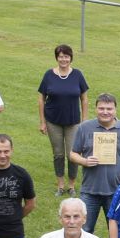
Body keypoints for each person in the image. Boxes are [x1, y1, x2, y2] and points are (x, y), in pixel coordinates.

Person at [70, 93, 120, 238]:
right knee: (84, 233)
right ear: (96, 109)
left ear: (115, 110)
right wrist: (84, 161)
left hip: (116, 192)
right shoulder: (85, 128)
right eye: (101, 108)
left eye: (109, 108)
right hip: (90, 191)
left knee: (118, 234)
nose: (105, 112)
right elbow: (73, 153)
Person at [37, 44, 90, 197]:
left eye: (66, 56)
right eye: (61, 56)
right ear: (57, 58)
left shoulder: (78, 75)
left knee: (73, 154)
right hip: (53, 121)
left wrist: (85, 121)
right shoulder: (49, 75)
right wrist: (42, 122)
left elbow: (84, 99)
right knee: (58, 154)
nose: (63, 59)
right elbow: (41, 98)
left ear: (70, 58)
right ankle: (60, 185)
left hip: (73, 122)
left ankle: (71, 185)